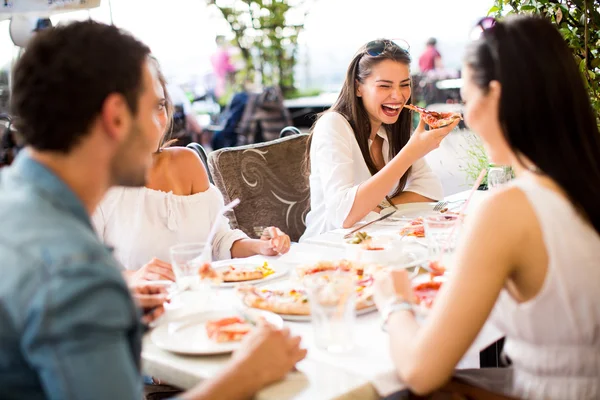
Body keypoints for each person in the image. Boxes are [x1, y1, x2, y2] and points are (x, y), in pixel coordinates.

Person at [0, 20, 305, 399]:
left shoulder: (16, 198)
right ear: (116, 117)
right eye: (152, 107)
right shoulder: (73, 267)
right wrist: (249, 373)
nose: (163, 123)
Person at [373, 16, 600, 400]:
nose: (467, 115)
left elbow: (419, 371)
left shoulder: (509, 207)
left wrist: (392, 301)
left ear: (494, 97)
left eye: (466, 97)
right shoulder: (583, 181)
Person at [93, 57, 291, 283]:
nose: (155, 121)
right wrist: (133, 277)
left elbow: (217, 241)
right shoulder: (95, 183)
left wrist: (261, 246)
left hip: (205, 302)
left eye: (158, 106)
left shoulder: (187, 162)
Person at [301, 39, 458, 239]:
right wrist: (410, 154)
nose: (398, 95)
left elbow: (431, 191)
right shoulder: (333, 125)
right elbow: (343, 215)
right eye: (384, 86)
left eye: (404, 85)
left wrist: (378, 207)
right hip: (328, 247)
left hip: (377, 241)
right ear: (358, 87)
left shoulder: (392, 128)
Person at [210, 35, 236, 100]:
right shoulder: (223, 53)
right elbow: (230, 67)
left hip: (219, 87)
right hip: (225, 86)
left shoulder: (213, 54)